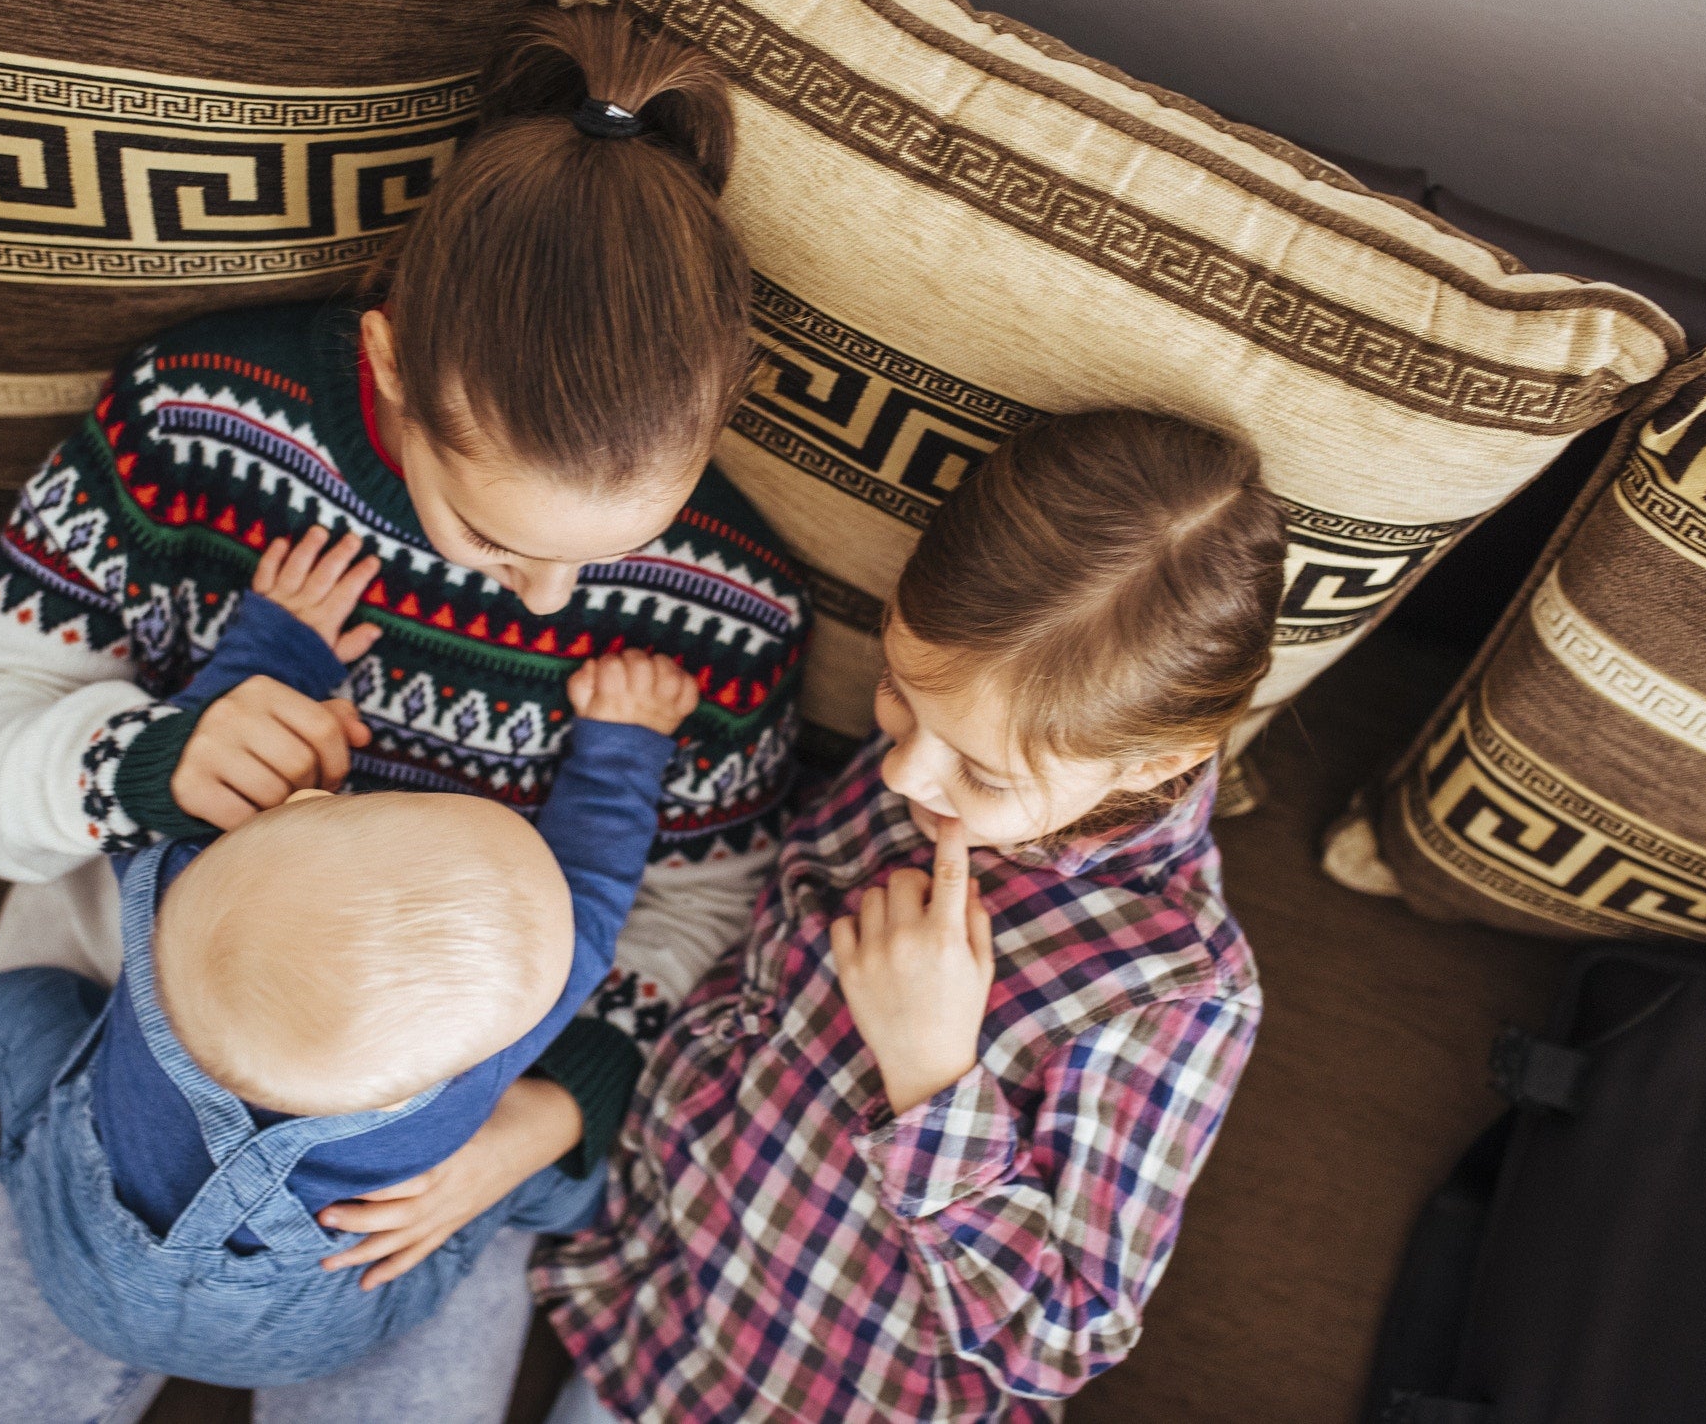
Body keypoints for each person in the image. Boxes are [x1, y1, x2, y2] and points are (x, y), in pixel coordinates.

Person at [0, 2, 802, 1423]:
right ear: (384, 366)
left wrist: (557, 1109)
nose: (554, 608)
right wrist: (146, 761)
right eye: (497, 537)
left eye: (611, 547)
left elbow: (701, 905)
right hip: (129, 1080)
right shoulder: (191, 430)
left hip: (446, 1152)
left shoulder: (725, 609)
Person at [330, 408, 1284, 1422]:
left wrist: (930, 1077)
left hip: (825, 1390)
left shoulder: (1174, 988)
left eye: (982, 770)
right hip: (658, 1296)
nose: (908, 770)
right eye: (898, 693)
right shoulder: (936, 755)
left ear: (1156, 763)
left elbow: (1063, 1334)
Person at [0, 531, 700, 1390]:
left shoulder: (169, 883)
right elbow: (591, 894)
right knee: (504, 1187)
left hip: (77, 1258)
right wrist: (623, 744)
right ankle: (597, 1202)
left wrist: (280, 642)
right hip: (327, 1323)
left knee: (25, 1010)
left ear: (297, 803)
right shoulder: (483, 1060)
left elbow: (198, 755)